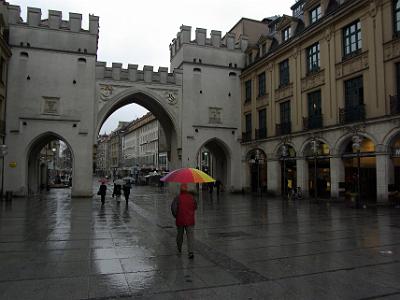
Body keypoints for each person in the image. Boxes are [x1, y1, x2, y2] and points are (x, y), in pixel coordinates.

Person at [174, 184, 197, 259]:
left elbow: (173, 208)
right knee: (190, 236)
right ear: (187, 190)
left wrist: (176, 215)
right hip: (190, 220)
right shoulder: (192, 197)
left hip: (180, 220)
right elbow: (195, 206)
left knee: (179, 235)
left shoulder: (177, 198)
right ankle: (191, 252)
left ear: (180, 190)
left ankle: (179, 248)